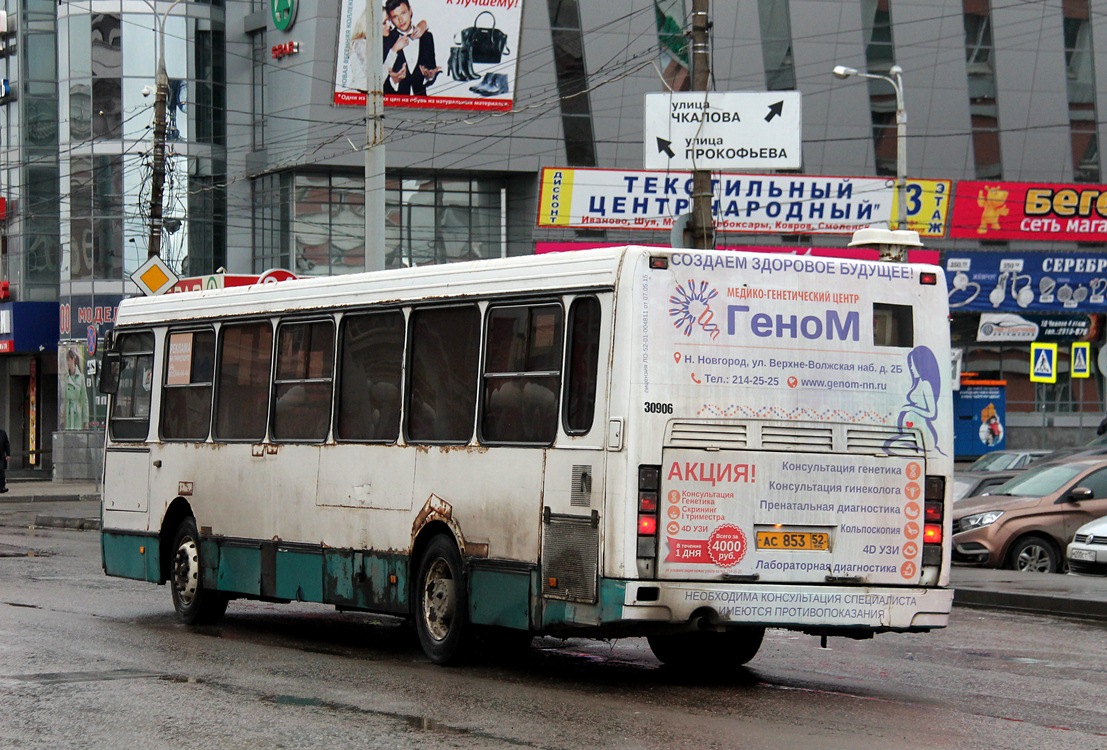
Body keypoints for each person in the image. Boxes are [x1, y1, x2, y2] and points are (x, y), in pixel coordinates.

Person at [382, 0, 440, 96]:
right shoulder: (386, 40)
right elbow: (380, 79)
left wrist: (429, 76)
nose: (401, 20)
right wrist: (394, 80)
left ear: (410, 11)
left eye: (403, 13)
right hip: (394, 103)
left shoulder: (427, 37)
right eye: (395, 17)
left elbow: (431, 68)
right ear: (391, 20)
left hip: (422, 102)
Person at [64, 348, 90, 430]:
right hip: (68, 413)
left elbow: (84, 400)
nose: (67, 363)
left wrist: (86, 421)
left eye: (68, 360)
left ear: (73, 360)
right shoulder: (65, 377)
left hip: (77, 413)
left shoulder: (81, 377)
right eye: (66, 360)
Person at [0, 426, 10, 493]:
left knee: (1, 471)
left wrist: (8, 454)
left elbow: (6, 444)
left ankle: (1, 487)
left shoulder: (2, 432)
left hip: (0, 456)